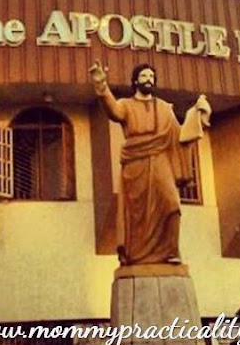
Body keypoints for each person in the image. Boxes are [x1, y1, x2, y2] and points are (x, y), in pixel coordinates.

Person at [89, 61, 211, 265]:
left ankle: (170, 252)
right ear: (135, 81)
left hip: (160, 159)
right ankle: (134, 255)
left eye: (152, 77)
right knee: (136, 213)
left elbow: (179, 135)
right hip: (135, 162)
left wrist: (198, 115)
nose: (149, 80)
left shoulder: (164, 108)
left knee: (171, 203)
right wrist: (102, 86)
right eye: (144, 76)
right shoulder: (126, 105)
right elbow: (113, 111)